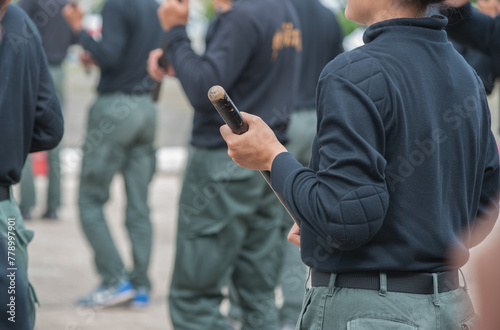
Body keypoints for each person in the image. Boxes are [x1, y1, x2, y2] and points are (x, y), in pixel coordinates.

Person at [220, 0, 500, 329]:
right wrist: (317, 212)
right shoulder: (464, 73)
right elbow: (482, 207)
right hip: (453, 309)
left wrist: (271, 156)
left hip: (370, 313)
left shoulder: (353, 73)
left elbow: (345, 219)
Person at [149, 0, 301, 328]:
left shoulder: (242, 17)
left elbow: (204, 87)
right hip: (266, 163)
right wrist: (181, 58)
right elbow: (236, 74)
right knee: (257, 297)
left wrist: (175, 31)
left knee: (194, 300)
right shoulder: (282, 11)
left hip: (223, 164)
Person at [62, 0, 162, 308]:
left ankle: (114, 280)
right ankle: (141, 285)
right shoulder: (157, 7)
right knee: (139, 206)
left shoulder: (117, 4)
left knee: (89, 199)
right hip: (147, 108)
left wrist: (79, 30)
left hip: (115, 109)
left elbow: (111, 54)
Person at [275, 1, 344, 328]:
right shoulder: (328, 17)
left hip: (283, 120)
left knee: (269, 223)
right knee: (302, 217)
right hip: (319, 121)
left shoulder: (276, 12)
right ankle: (292, 310)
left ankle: (252, 310)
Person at [0, 0, 64, 328]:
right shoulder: (22, 21)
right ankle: (52, 205)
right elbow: (50, 129)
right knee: (11, 314)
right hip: (4, 214)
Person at [17, 0, 77, 221]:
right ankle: (53, 206)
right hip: (60, 71)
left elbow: (17, 28)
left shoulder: (30, 2)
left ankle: (26, 205)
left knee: (22, 136)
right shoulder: (67, 2)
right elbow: (74, 36)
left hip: (35, 68)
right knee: (55, 137)